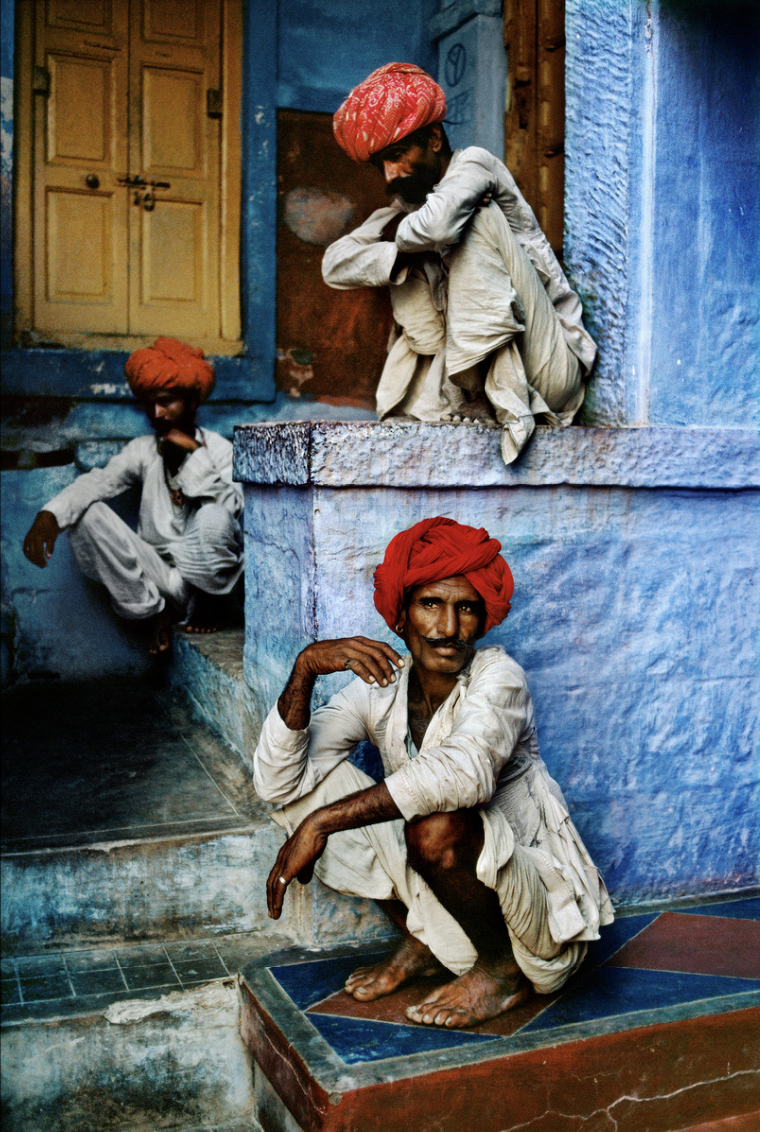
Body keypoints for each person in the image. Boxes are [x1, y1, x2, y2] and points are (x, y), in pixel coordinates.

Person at [255, 517, 613, 1029]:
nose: (448, 628)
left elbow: (464, 775)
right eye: (430, 605)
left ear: (483, 619)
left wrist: (322, 825)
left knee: (435, 824)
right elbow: (277, 782)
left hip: (538, 910)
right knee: (305, 795)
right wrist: (305, 668)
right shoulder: (381, 687)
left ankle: (500, 971)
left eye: (465, 608)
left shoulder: (499, 677)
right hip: (447, 887)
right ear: (401, 619)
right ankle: (426, 940)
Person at [322, 63, 597, 465]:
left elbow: (436, 227)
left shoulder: (475, 165)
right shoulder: (406, 207)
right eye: (380, 164)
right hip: (457, 389)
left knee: (469, 222)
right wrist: (402, 249)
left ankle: (494, 396)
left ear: (434, 138)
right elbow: (335, 264)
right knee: (405, 254)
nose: (390, 175)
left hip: (546, 372)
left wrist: (415, 236)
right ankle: (471, 392)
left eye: (397, 155)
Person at [22, 337, 244, 655]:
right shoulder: (142, 450)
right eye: (150, 404)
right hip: (157, 577)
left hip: (207, 586)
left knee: (215, 515)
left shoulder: (220, 451)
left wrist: (191, 458)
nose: (156, 413)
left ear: (193, 402)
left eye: (167, 401)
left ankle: (209, 604)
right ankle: (154, 615)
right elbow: (98, 483)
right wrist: (50, 515)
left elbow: (235, 510)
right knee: (86, 515)